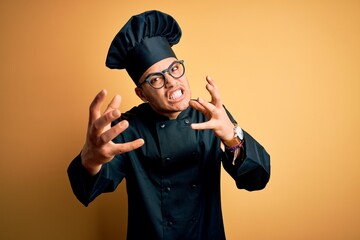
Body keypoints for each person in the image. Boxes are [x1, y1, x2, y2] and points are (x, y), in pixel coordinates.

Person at [67, 10, 270, 240]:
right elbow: (86, 191)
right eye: (156, 79)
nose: (172, 82)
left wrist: (232, 138)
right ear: (141, 93)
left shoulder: (210, 116)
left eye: (174, 69)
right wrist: (90, 160)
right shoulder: (126, 128)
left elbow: (257, 180)